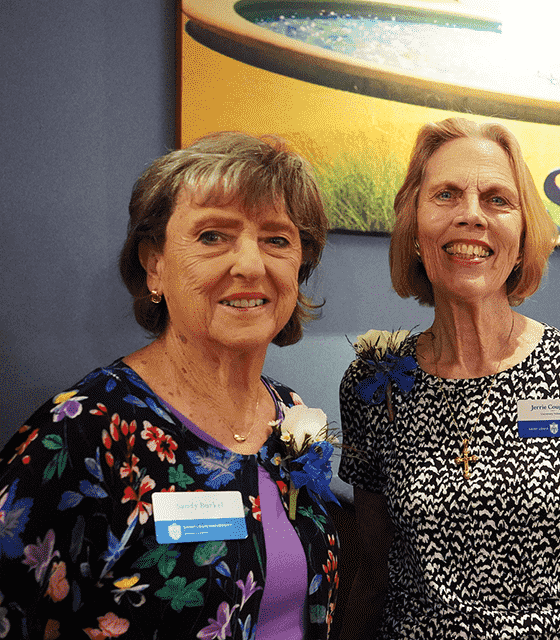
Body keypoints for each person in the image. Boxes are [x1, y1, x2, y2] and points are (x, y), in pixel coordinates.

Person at [338, 118, 560, 640]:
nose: (470, 215)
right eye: (446, 195)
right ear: (413, 231)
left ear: (523, 238)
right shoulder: (375, 385)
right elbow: (371, 574)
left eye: (497, 200)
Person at [0, 132, 339, 639]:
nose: (251, 264)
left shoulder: (287, 410)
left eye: (277, 240)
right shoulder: (83, 432)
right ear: (153, 264)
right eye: (213, 236)